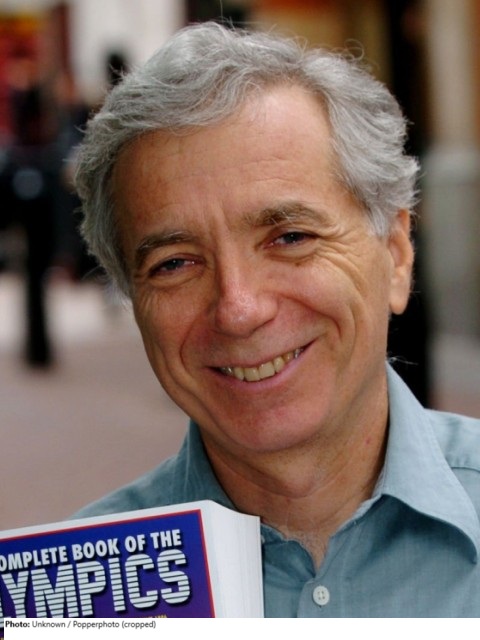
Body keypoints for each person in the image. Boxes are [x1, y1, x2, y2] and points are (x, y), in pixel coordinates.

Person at [74, 23, 480, 617]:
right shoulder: (74, 603)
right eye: (176, 263)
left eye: (290, 237)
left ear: (395, 253)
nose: (239, 309)